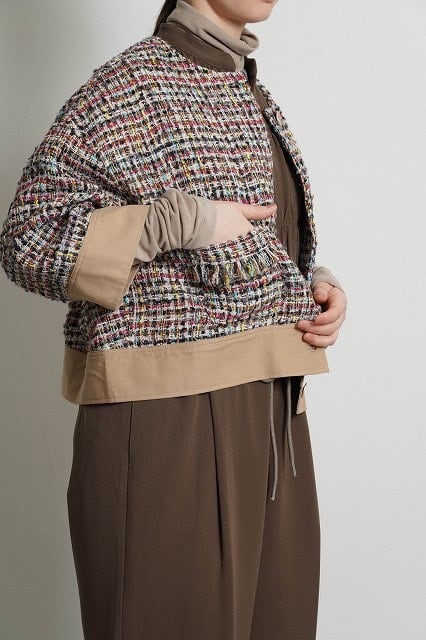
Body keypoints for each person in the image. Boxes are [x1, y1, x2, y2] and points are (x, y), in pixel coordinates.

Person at [0, 0, 347, 638]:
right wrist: (171, 222)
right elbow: (27, 242)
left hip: (275, 413)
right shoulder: (129, 87)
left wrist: (313, 283)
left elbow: (255, 231)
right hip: (169, 419)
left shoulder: (243, 86)